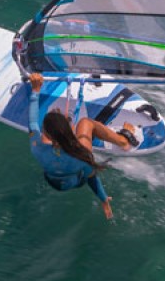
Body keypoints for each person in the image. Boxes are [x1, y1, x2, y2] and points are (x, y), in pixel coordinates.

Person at [27, 73, 139, 220]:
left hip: (54, 182)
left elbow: (32, 123)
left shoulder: (37, 147)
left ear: (50, 135)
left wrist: (35, 90)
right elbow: (91, 176)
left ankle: (59, 132)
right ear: (68, 130)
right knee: (86, 123)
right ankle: (123, 141)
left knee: (46, 140)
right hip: (76, 181)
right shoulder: (81, 153)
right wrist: (103, 199)